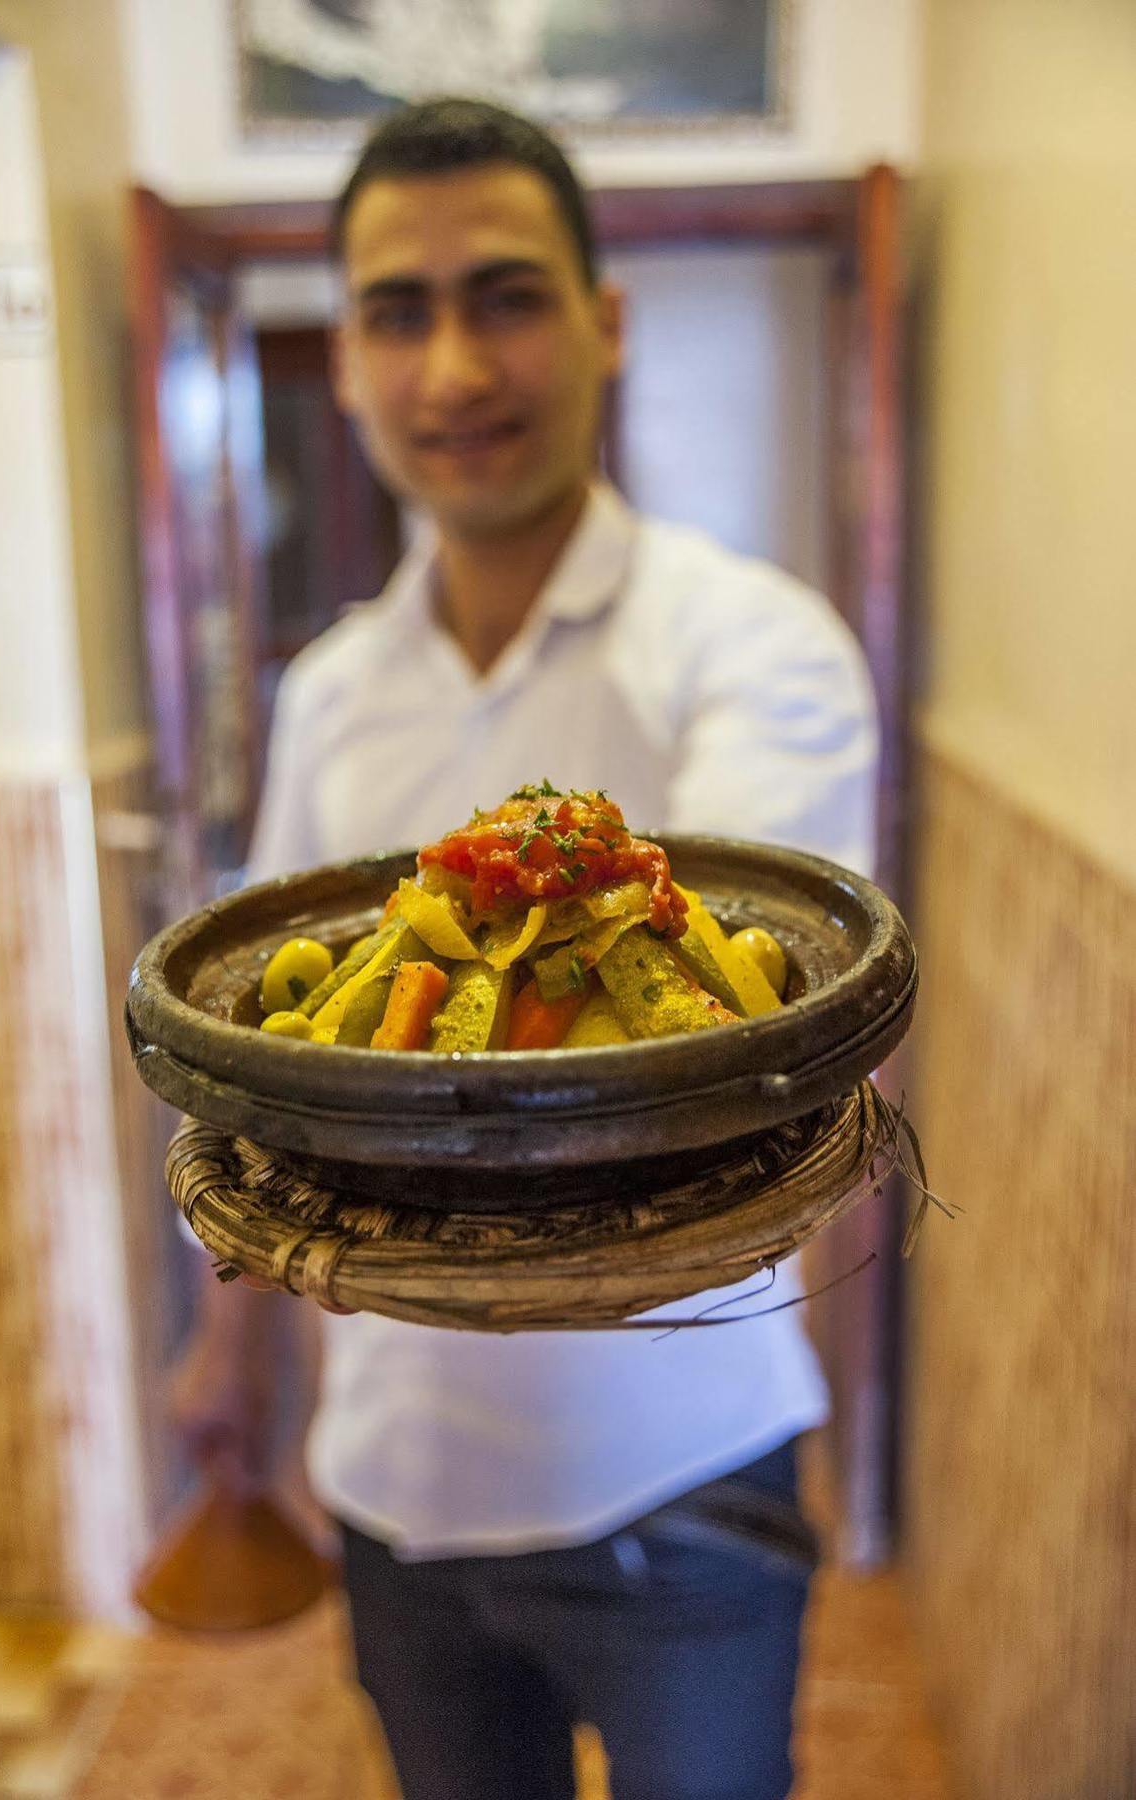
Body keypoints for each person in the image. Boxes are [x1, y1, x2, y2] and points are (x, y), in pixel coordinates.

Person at [172, 97, 877, 1800]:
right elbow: (266, 1053)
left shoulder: (749, 650)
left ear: (602, 320)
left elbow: (733, 1049)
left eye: (503, 295)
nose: (450, 369)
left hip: (678, 1465)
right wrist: (233, 1347)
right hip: (394, 1478)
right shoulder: (327, 687)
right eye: (395, 313)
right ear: (340, 358)